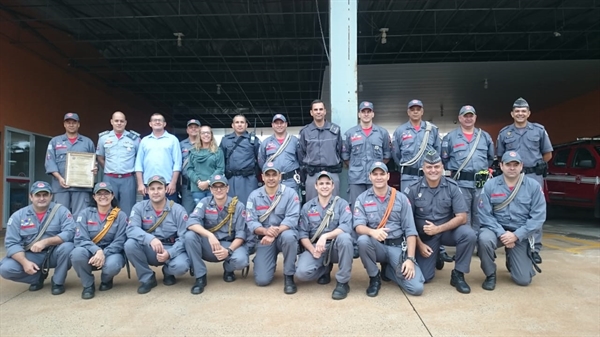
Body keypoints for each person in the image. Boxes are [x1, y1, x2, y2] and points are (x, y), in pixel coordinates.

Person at [404, 150, 475, 294]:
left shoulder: (452, 187)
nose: (433, 170)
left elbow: (462, 217)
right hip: (424, 237)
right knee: (425, 277)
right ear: (423, 168)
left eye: (436, 166)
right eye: (429, 167)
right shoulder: (413, 189)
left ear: (442, 167)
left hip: (446, 232)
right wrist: (419, 244)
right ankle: (435, 255)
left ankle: (458, 274)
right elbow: (407, 222)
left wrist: (438, 229)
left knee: (469, 234)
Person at [477, 151, 546, 290]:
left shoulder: (533, 186)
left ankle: (512, 258)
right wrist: (502, 233)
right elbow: (484, 214)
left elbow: (538, 217)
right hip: (496, 230)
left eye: (516, 164)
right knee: (484, 239)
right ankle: (490, 274)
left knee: (523, 280)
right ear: (501, 166)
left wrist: (516, 236)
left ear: (522, 166)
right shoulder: (490, 185)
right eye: (508, 164)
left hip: (520, 232)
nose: (512, 168)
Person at [354, 162, 424, 297]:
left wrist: (410, 258)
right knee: (363, 240)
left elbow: (410, 230)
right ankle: (374, 277)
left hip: (397, 247)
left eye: (382, 174)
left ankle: (389, 270)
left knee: (416, 288)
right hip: (377, 247)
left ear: (388, 176)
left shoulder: (401, 198)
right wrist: (372, 232)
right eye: (375, 174)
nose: (378, 177)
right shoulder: (362, 199)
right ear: (370, 177)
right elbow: (358, 226)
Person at [496, 97, 553, 264]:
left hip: (532, 176)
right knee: (511, 210)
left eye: (523, 111)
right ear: (512, 114)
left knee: (535, 210)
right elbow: (500, 155)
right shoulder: (504, 133)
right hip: (511, 176)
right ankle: (510, 244)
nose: (520, 114)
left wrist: (540, 165)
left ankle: (534, 248)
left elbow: (548, 153)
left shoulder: (539, 130)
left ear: (528, 113)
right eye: (517, 111)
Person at [0, 181, 75, 295]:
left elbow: (70, 232)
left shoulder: (61, 211)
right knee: (5, 269)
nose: (42, 198)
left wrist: (46, 242)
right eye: (38, 195)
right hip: (31, 255)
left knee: (68, 247)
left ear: (51, 196)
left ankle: (57, 281)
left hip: (54, 253)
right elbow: (12, 243)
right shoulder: (18, 216)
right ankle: (37, 277)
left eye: (45, 195)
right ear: (31, 196)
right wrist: (25, 262)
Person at [184, 174, 249, 294]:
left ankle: (229, 269)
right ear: (210, 189)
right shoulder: (204, 203)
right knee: (189, 236)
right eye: (215, 187)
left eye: (222, 187)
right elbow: (190, 222)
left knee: (241, 260)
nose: (218, 190)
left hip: (228, 245)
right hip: (209, 245)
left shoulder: (238, 206)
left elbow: (241, 234)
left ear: (227, 188)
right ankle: (200, 276)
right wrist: (210, 235)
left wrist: (228, 251)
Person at [124, 175, 190, 294]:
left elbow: (184, 236)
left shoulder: (177, 209)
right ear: (147, 191)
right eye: (152, 189)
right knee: (130, 245)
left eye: (159, 188)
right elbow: (131, 229)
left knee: (181, 267)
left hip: (172, 247)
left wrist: (170, 253)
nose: (156, 192)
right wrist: (150, 239)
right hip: (150, 248)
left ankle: (168, 272)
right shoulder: (139, 207)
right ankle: (147, 278)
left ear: (165, 189)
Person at [296, 171, 353, 300]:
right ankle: (325, 268)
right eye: (321, 183)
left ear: (333, 186)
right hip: (316, 247)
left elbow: (346, 227)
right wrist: (312, 249)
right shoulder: (307, 207)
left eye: (328, 183)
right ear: (315, 186)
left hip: (335, 247)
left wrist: (325, 236)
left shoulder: (341, 204)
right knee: (301, 273)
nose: (325, 186)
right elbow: (303, 234)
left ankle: (343, 282)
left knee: (345, 239)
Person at [245, 162, 300, 294]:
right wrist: (265, 231)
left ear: (280, 176)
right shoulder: (254, 196)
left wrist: (273, 233)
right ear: (262, 177)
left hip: (282, 235)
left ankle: (289, 276)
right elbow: (250, 220)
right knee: (262, 280)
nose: (271, 178)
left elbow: (292, 218)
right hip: (264, 238)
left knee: (289, 237)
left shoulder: (290, 193)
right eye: (267, 175)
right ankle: (262, 260)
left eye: (274, 175)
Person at [441, 105, 494, 234]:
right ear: (460, 118)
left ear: (475, 118)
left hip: (480, 184)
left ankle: (478, 242)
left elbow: (490, 158)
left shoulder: (485, 136)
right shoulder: (450, 137)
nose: (468, 119)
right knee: (462, 214)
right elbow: (444, 159)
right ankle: (466, 244)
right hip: (460, 184)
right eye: (465, 116)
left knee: (480, 213)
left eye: (471, 116)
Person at [70, 182, 127, 299]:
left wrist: (103, 253)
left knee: (113, 265)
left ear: (112, 195)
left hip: (112, 252)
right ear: (94, 197)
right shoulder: (85, 213)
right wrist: (97, 251)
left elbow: (120, 241)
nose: (103, 196)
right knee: (76, 254)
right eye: (99, 194)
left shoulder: (120, 215)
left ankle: (106, 280)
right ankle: (88, 285)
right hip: (90, 250)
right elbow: (80, 238)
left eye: (106, 193)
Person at [45, 112, 97, 216]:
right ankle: (62, 233)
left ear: (78, 124)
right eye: (68, 122)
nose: (71, 125)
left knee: (81, 215)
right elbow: (49, 162)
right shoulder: (55, 141)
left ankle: (79, 233)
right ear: (64, 124)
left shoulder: (87, 142)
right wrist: (59, 178)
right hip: (61, 187)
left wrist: (94, 168)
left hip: (82, 187)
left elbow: (94, 161)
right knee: (60, 215)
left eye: (74, 122)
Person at [341, 101, 392, 206]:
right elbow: (345, 155)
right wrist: (355, 167)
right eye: (363, 111)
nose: (366, 114)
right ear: (359, 114)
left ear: (373, 114)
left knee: (377, 206)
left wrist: (377, 169)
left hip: (376, 178)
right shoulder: (351, 133)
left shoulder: (382, 133)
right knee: (355, 206)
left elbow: (387, 154)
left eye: (369, 111)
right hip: (356, 179)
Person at [96, 111, 140, 215]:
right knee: (107, 207)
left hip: (128, 178)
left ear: (125, 123)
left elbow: (139, 158)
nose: (119, 123)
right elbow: (100, 157)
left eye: (121, 121)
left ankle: (126, 231)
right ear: (111, 122)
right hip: (109, 178)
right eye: (116, 121)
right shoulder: (103, 138)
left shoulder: (134, 139)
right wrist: (108, 169)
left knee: (128, 209)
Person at [298, 100, 343, 201]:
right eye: (316, 110)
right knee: (311, 205)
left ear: (325, 111)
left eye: (321, 109)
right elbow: (301, 154)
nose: (318, 112)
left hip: (332, 172)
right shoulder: (305, 132)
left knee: (334, 203)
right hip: (312, 174)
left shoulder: (335, 131)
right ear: (311, 113)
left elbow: (339, 150)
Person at [134, 113, 182, 202]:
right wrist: (140, 184)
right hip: (148, 184)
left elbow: (177, 163)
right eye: (154, 120)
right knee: (148, 212)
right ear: (150, 124)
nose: (157, 122)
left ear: (164, 124)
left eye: (160, 120)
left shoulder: (173, 139)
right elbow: (138, 164)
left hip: (168, 184)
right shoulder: (144, 140)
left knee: (170, 212)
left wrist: (173, 183)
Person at [219, 115, 260, 204]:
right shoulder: (225, 140)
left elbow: (260, 160)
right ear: (232, 125)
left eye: (242, 122)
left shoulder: (253, 140)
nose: (239, 125)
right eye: (237, 122)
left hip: (248, 180)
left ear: (246, 125)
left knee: (249, 206)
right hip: (230, 180)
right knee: (230, 207)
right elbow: (220, 160)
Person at [258, 114, 301, 191]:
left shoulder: (295, 141)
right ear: (272, 125)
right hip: (272, 182)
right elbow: (261, 162)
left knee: (292, 203)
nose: (279, 125)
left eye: (281, 123)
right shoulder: (266, 142)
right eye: (276, 123)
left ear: (286, 124)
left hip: (291, 181)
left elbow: (301, 159)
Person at [186, 125, 224, 205]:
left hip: (213, 187)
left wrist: (208, 182)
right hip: (197, 187)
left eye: (208, 133)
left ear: (211, 135)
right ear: (199, 135)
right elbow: (189, 169)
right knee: (199, 213)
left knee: (213, 213)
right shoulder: (193, 151)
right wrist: (198, 182)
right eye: (203, 133)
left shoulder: (218, 151)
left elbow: (220, 169)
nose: (206, 135)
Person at [180, 119, 201, 213]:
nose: (193, 129)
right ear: (187, 130)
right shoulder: (181, 145)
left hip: (201, 184)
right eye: (191, 127)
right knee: (187, 212)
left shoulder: (206, 144)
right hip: (187, 185)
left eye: (196, 127)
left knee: (202, 212)